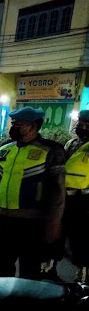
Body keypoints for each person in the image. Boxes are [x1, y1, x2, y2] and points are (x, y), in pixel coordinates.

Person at [0, 107, 66, 279]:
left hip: (32, 224)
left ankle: (23, 304)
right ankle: (2, 303)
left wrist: (54, 225)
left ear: (32, 126)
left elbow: (57, 194)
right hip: (4, 220)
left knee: (29, 270)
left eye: (18, 124)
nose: (13, 127)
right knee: (0, 267)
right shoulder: (5, 149)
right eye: (13, 124)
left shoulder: (51, 151)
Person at [61, 110, 89, 282]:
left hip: (85, 201)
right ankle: (49, 267)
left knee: (82, 238)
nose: (83, 127)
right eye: (81, 124)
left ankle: (82, 272)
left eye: (87, 125)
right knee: (59, 234)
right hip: (64, 197)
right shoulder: (71, 143)